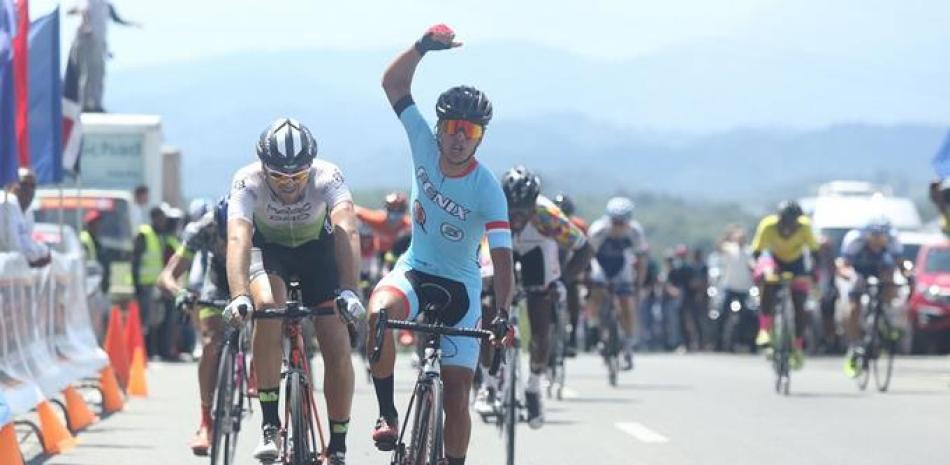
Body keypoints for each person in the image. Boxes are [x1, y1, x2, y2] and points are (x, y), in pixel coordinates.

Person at [369, 24, 515, 465]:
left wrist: (504, 312)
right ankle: (387, 415)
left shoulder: (487, 187)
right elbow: (393, 84)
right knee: (378, 315)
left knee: (457, 394)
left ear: (480, 137)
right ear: (439, 128)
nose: (457, 138)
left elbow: (504, 260)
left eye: (469, 132)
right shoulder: (422, 143)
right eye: (451, 127)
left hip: (462, 291)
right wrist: (422, 48)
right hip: (415, 271)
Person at [223, 117, 365, 465]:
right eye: (279, 177)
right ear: (263, 168)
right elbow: (238, 237)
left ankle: (339, 444)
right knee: (268, 307)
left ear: (310, 168)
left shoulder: (327, 175)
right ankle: (270, 424)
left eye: (298, 177)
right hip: (270, 253)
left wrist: (350, 289)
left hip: (318, 253)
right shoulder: (247, 180)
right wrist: (240, 294)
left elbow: (347, 227)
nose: (289, 185)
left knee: (336, 339)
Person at [475, 166, 591, 428]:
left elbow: (584, 249)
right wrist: (480, 281)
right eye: (512, 209)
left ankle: (534, 386)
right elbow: (481, 252)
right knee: (488, 307)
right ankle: (488, 384)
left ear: (533, 205)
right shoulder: (494, 208)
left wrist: (562, 282)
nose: (517, 216)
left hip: (537, 255)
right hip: (500, 252)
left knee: (541, 320)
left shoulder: (545, 215)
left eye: (523, 209)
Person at [156, 198, 230, 455]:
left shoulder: (259, 224)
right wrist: (179, 293)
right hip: (218, 280)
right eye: (224, 237)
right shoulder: (204, 228)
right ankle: (205, 422)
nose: (227, 244)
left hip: (253, 275)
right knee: (210, 342)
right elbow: (166, 275)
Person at [751, 200, 820, 370]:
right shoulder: (767, 226)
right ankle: (765, 330)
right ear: (778, 219)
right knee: (769, 282)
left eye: (793, 222)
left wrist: (811, 273)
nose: (789, 226)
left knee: (800, 304)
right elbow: (757, 253)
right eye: (785, 221)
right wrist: (760, 270)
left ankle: (797, 344)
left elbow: (814, 253)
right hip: (774, 260)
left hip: (796, 263)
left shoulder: (805, 227)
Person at [585, 196, 648, 369]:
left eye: (623, 222)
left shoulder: (635, 232)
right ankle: (593, 326)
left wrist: (638, 285)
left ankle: (628, 344)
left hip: (621, 265)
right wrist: (587, 281)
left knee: (627, 303)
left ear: (629, 221)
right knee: (596, 293)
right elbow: (586, 257)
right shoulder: (598, 230)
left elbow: (641, 260)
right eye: (615, 222)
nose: (618, 226)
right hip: (600, 263)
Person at [837, 217, 903, 378]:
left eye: (881, 237)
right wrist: (850, 276)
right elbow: (843, 265)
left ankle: (885, 316)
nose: (878, 240)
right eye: (874, 236)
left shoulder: (893, 241)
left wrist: (907, 275)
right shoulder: (854, 240)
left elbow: (900, 264)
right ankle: (854, 344)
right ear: (866, 235)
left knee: (890, 283)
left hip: (881, 267)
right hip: (859, 269)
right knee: (854, 304)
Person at [66, 0, 141, 112]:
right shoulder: (88, 3)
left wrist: (133, 24)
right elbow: (76, 11)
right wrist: (86, 23)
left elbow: (117, 19)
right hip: (86, 43)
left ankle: (96, 104)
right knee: (87, 75)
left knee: (99, 74)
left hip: (99, 45)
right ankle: (84, 105)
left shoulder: (106, 6)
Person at [552, 193, 589, 355]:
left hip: (570, 262)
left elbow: (585, 251)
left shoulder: (578, 226)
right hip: (552, 263)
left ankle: (573, 331)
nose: (563, 218)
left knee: (573, 286)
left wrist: (581, 273)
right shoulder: (546, 222)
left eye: (566, 215)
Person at [131, 206, 170, 357]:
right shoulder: (144, 234)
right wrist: (136, 285)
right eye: (161, 218)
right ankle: (143, 351)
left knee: (154, 320)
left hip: (155, 285)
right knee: (145, 321)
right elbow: (135, 260)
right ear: (154, 218)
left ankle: (151, 350)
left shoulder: (159, 235)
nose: (163, 222)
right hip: (144, 285)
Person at [0, 168, 51, 267]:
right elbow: (12, 246)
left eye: (32, 186)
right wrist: (36, 256)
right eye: (24, 184)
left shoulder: (28, 212)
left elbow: (27, 242)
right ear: (12, 185)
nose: (29, 190)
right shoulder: (5, 205)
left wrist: (42, 253)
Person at [714, 226, 755, 351]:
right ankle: (719, 342)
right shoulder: (730, 248)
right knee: (722, 314)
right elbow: (719, 245)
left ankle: (745, 342)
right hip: (730, 287)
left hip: (744, 289)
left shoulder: (749, 251)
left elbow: (753, 265)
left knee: (747, 316)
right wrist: (727, 234)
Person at [80, 209, 111, 292]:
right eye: (95, 223)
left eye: (98, 223)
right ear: (89, 224)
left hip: (95, 284)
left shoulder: (95, 241)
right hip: (88, 284)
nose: (98, 226)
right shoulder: (84, 239)